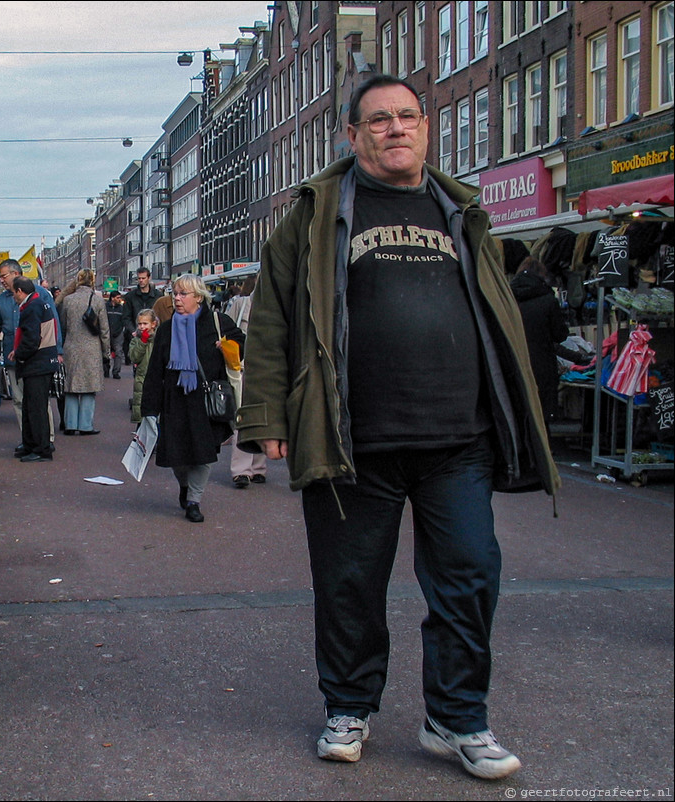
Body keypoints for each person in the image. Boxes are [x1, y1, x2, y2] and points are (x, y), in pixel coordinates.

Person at [236, 74, 558, 780]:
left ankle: (457, 719)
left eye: (407, 116)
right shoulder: (316, 214)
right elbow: (273, 319)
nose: (395, 129)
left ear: (426, 127)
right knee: (350, 583)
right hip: (353, 439)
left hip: (459, 439)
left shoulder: (462, 210)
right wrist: (263, 416)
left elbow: (498, 315)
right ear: (352, 136)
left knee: (471, 576)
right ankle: (348, 706)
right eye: (378, 120)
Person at [139, 274, 244, 523]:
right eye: (175, 293)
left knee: (203, 453)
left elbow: (241, 342)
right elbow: (155, 371)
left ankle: (194, 500)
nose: (176, 298)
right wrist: (149, 408)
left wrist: (227, 345)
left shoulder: (218, 322)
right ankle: (184, 486)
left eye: (182, 294)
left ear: (198, 297)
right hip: (174, 401)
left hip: (205, 402)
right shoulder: (166, 329)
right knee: (177, 456)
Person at [0, 259, 60, 454]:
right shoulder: (2, 301)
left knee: (38, 401)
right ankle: (29, 440)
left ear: (16, 274)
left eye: (3, 276)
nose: (1, 280)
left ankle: (45, 439)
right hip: (14, 358)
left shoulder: (40, 296)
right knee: (19, 400)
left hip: (35, 358)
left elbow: (52, 323)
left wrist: (58, 351)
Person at [510, 256, 570, 431]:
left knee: (518, 404)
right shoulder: (547, 299)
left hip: (513, 357)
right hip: (541, 361)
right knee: (541, 409)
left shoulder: (508, 297)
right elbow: (560, 335)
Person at [9, 277, 59, 462]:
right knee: (33, 406)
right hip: (43, 362)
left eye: (14, 292)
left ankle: (40, 449)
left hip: (37, 363)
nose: (13, 296)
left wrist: (18, 353)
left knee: (35, 408)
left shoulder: (31, 308)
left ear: (20, 291)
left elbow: (32, 339)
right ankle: (32, 444)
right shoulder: (40, 303)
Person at [224, 275, 267, 488]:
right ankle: (241, 471)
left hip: (265, 368)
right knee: (241, 417)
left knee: (263, 416)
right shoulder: (240, 304)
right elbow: (226, 332)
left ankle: (258, 466)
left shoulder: (274, 308)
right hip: (240, 367)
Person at [56, 269, 110, 435]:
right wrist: (106, 352)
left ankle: (70, 424)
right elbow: (104, 329)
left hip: (71, 347)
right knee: (89, 388)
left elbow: (63, 326)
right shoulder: (98, 301)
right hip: (91, 348)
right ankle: (86, 425)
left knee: (71, 387)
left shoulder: (68, 300)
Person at [127, 308, 158, 423]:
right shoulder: (136, 340)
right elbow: (134, 357)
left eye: (145, 323)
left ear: (153, 324)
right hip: (141, 377)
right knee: (140, 407)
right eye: (139, 324)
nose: (142, 327)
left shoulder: (158, 339)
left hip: (155, 378)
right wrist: (142, 342)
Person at [122, 267, 162, 353]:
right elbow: (126, 316)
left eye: (143, 278)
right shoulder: (130, 296)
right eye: (139, 278)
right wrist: (133, 331)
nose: (141, 280)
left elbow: (160, 315)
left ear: (149, 278)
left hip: (153, 336)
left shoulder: (158, 296)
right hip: (136, 335)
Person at [105, 291, 126, 379]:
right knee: (105, 353)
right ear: (112, 298)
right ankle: (106, 370)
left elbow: (124, 320)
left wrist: (121, 330)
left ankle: (116, 372)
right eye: (117, 298)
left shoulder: (121, 309)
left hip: (118, 334)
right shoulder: (105, 307)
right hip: (106, 333)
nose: (119, 299)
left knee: (118, 352)